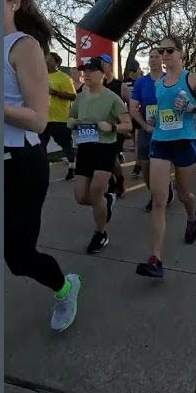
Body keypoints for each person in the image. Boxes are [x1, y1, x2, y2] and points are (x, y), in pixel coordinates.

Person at [2, 0, 80, 332]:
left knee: (18, 257)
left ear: (15, 2)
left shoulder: (23, 46)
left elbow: (37, 120)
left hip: (19, 164)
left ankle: (65, 288)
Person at [138, 35, 196, 279]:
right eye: (161, 51)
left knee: (183, 194)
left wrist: (191, 108)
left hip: (184, 142)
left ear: (181, 53)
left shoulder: (192, 78)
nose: (164, 55)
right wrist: (154, 119)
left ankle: (192, 216)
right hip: (160, 141)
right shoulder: (158, 83)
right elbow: (161, 110)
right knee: (158, 200)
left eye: (170, 50)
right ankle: (156, 259)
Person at [68, 57, 132, 254]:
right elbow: (71, 117)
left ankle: (100, 233)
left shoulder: (112, 98)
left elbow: (128, 125)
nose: (86, 74)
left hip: (105, 148)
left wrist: (112, 126)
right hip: (85, 149)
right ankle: (107, 202)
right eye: (84, 70)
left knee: (96, 190)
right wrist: (71, 123)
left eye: (91, 70)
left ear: (102, 73)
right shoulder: (81, 97)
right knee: (80, 196)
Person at [130, 55, 175, 212]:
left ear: (162, 60)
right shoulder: (141, 82)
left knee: (162, 166)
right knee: (146, 166)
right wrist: (144, 126)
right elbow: (133, 107)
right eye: (151, 57)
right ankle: (154, 194)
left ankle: (159, 195)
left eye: (157, 56)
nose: (153, 59)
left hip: (166, 131)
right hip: (147, 130)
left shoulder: (170, 79)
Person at [43, 51, 78, 180]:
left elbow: (73, 96)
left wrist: (55, 92)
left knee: (66, 145)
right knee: (40, 146)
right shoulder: (40, 76)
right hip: (43, 118)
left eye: (49, 59)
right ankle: (42, 172)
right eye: (45, 59)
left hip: (60, 119)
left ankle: (72, 166)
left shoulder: (64, 78)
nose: (46, 61)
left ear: (56, 63)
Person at [98, 53, 129, 197]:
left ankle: (120, 179)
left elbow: (129, 105)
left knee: (112, 159)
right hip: (100, 127)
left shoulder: (120, 85)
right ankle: (111, 183)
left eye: (104, 62)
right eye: (99, 63)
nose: (101, 65)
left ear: (110, 65)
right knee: (104, 158)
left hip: (116, 127)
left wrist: (127, 125)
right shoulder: (97, 85)